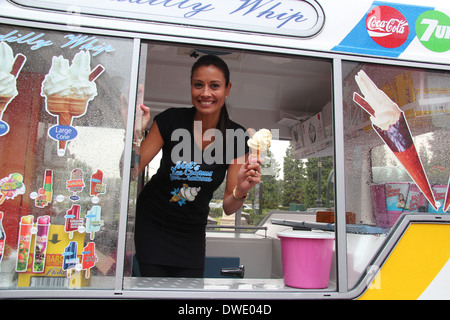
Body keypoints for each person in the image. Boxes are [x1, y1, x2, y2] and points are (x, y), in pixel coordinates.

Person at [134, 54, 261, 278]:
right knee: (152, 290)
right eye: (198, 85)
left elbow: (229, 208)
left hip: (191, 231)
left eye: (214, 86)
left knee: (188, 293)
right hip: (153, 222)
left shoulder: (236, 137)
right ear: (191, 86)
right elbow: (131, 171)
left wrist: (242, 190)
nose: (205, 93)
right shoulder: (170, 120)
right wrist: (135, 132)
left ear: (227, 89)